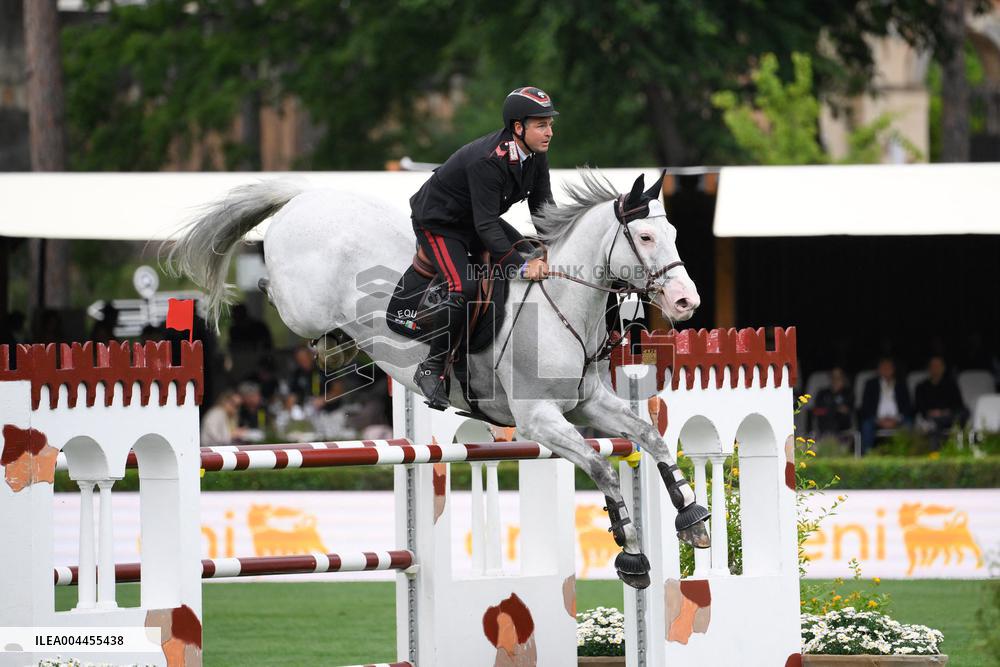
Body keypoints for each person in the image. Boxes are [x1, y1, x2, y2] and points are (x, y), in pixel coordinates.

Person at [408, 86, 558, 409]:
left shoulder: (536, 155)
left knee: (527, 251)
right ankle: (431, 367)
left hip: (475, 219)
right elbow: (487, 226)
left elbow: (544, 209)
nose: (549, 132)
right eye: (541, 125)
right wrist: (521, 266)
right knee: (464, 285)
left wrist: (554, 249)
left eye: (549, 124)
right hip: (440, 222)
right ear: (518, 127)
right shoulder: (488, 161)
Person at [859, 357, 913, 453]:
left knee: (908, 424)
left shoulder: (901, 384)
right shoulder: (871, 384)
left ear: (893, 370)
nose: (886, 370)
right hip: (876, 419)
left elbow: (908, 405)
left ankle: (907, 454)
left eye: (888, 367)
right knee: (866, 425)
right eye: (883, 368)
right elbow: (865, 406)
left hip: (897, 418)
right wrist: (878, 420)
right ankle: (867, 454)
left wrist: (896, 419)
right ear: (878, 370)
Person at [914, 356, 967, 445]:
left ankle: (958, 443)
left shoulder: (951, 385)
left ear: (943, 368)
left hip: (949, 416)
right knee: (933, 422)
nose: (935, 368)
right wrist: (930, 412)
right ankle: (936, 446)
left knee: (964, 412)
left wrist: (945, 412)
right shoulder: (921, 387)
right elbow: (918, 406)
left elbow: (958, 403)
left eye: (938, 366)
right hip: (930, 417)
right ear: (929, 368)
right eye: (933, 366)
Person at [811, 367, 854, 436]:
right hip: (824, 431)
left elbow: (847, 411)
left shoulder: (848, 393)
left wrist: (828, 409)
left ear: (843, 378)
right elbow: (816, 411)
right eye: (833, 377)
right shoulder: (822, 393)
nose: (835, 380)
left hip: (843, 432)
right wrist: (834, 409)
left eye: (838, 377)